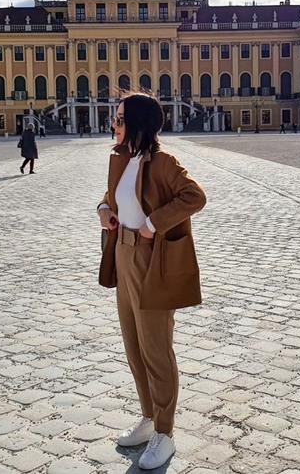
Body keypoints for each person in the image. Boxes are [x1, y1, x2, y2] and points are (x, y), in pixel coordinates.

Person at [97, 93, 207, 470]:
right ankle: (148, 418)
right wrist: (103, 209)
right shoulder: (120, 159)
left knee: (157, 350)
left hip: (151, 259)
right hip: (123, 254)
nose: (115, 125)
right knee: (134, 346)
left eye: (121, 119)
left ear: (140, 123)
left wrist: (153, 223)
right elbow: (113, 197)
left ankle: (165, 432)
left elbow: (195, 196)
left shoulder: (163, 163)